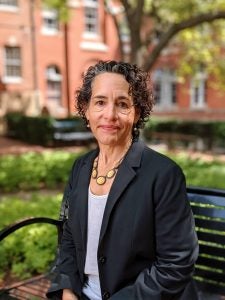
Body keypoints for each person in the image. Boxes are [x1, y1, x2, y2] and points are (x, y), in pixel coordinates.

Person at [47, 60, 199, 300]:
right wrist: (66, 290)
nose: (110, 115)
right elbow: (68, 237)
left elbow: (176, 264)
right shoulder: (81, 167)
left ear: (136, 113)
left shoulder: (164, 175)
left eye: (122, 104)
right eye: (100, 102)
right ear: (86, 110)